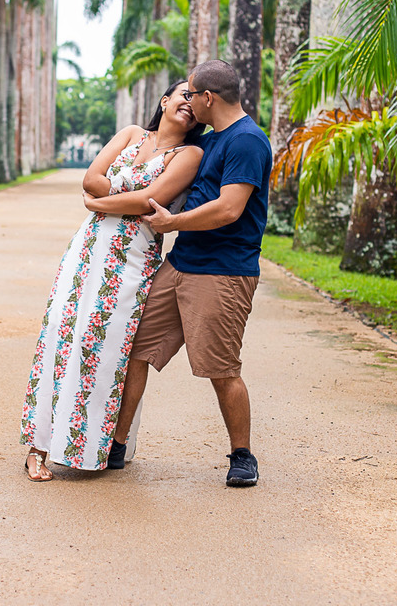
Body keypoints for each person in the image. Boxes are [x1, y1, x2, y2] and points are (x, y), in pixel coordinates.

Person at [20, 80, 205, 481]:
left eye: (196, 98)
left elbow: (147, 201)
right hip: (87, 249)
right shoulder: (132, 134)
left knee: (102, 346)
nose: (188, 103)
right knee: (60, 332)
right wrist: (116, 195)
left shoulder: (190, 154)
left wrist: (102, 200)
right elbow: (90, 178)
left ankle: (88, 448)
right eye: (183, 95)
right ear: (165, 100)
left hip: (133, 260)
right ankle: (38, 447)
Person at [107, 59, 272, 487]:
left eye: (191, 94)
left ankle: (242, 456)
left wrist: (172, 224)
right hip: (181, 265)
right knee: (136, 350)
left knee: (220, 368)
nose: (187, 100)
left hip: (222, 273)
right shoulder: (214, 141)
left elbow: (230, 208)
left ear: (208, 98)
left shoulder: (248, 141)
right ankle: (117, 445)